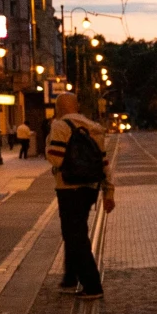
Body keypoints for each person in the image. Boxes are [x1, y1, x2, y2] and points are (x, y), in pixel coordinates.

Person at [45, 90, 115, 302]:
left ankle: (92, 285)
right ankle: (71, 277)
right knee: (76, 233)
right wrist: (108, 191)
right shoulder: (94, 128)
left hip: (68, 188)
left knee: (76, 237)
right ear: (77, 106)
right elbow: (104, 163)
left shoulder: (60, 127)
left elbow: (56, 158)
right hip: (90, 188)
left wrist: (50, 140)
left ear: (58, 109)